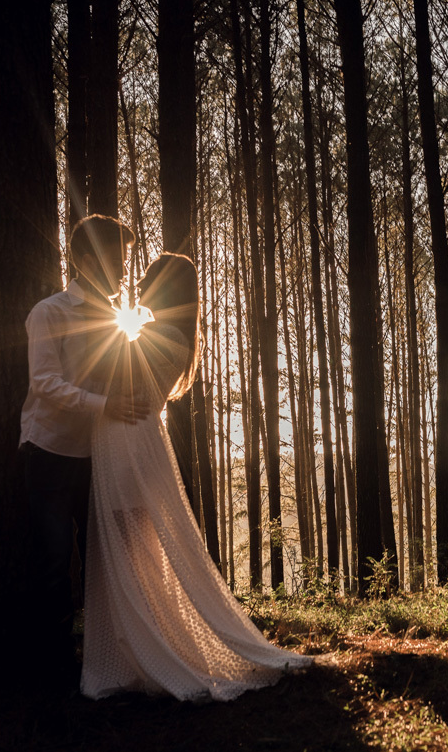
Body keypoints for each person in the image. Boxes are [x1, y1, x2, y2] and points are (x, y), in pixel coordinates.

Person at [81, 252, 312, 701]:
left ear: (165, 288)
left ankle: (151, 650)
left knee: (134, 554)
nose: (139, 283)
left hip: (128, 446)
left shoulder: (159, 336)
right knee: (136, 553)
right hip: (133, 443)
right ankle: (140, 647)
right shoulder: (172, 336)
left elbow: (108, 375)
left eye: (148, 277)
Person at [20, 214, 143, 687]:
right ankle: (53, 667)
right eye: (118, 259)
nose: (124, 270)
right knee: (52, 563)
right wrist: (104, 405)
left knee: (103, 559)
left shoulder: (118, 320)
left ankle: (106, 659)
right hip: (49, 451)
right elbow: (44, 382)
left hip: (98, 455)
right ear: (89, 260)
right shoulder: (50, 312)